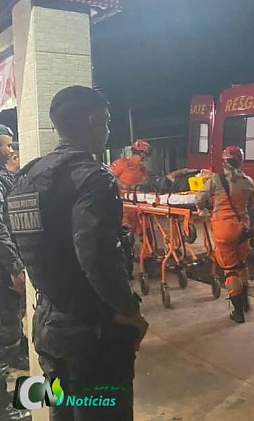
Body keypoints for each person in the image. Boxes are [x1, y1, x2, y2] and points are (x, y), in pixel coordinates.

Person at [9, 86, 148, 421]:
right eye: (107, 121)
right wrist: (128, 310)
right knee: (102, 412)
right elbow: (96, 256)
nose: (108, 129)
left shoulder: (26, 177)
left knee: (59, 410)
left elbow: (21, 243)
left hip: (45, 327)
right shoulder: (94, 178)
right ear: (92, 120)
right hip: (91, 334)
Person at [195, 146, 254, 323]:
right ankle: (245, 301)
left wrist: (203, 210)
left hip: (223, 229)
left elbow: (199, 199)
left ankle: (238, 312)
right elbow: (250, 204)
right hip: (243, 229)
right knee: (241, 264)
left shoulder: (216, 179)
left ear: (224, 162)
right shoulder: (248, 182)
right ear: (240, 162)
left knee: (230, 270)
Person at [0, 125, 29, 420]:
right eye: (6, 145)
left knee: (10, 330)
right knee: (4, 334)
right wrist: (14, 267)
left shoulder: (4, 178)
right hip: (3, 270)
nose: (10, 151)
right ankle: (3, 406)